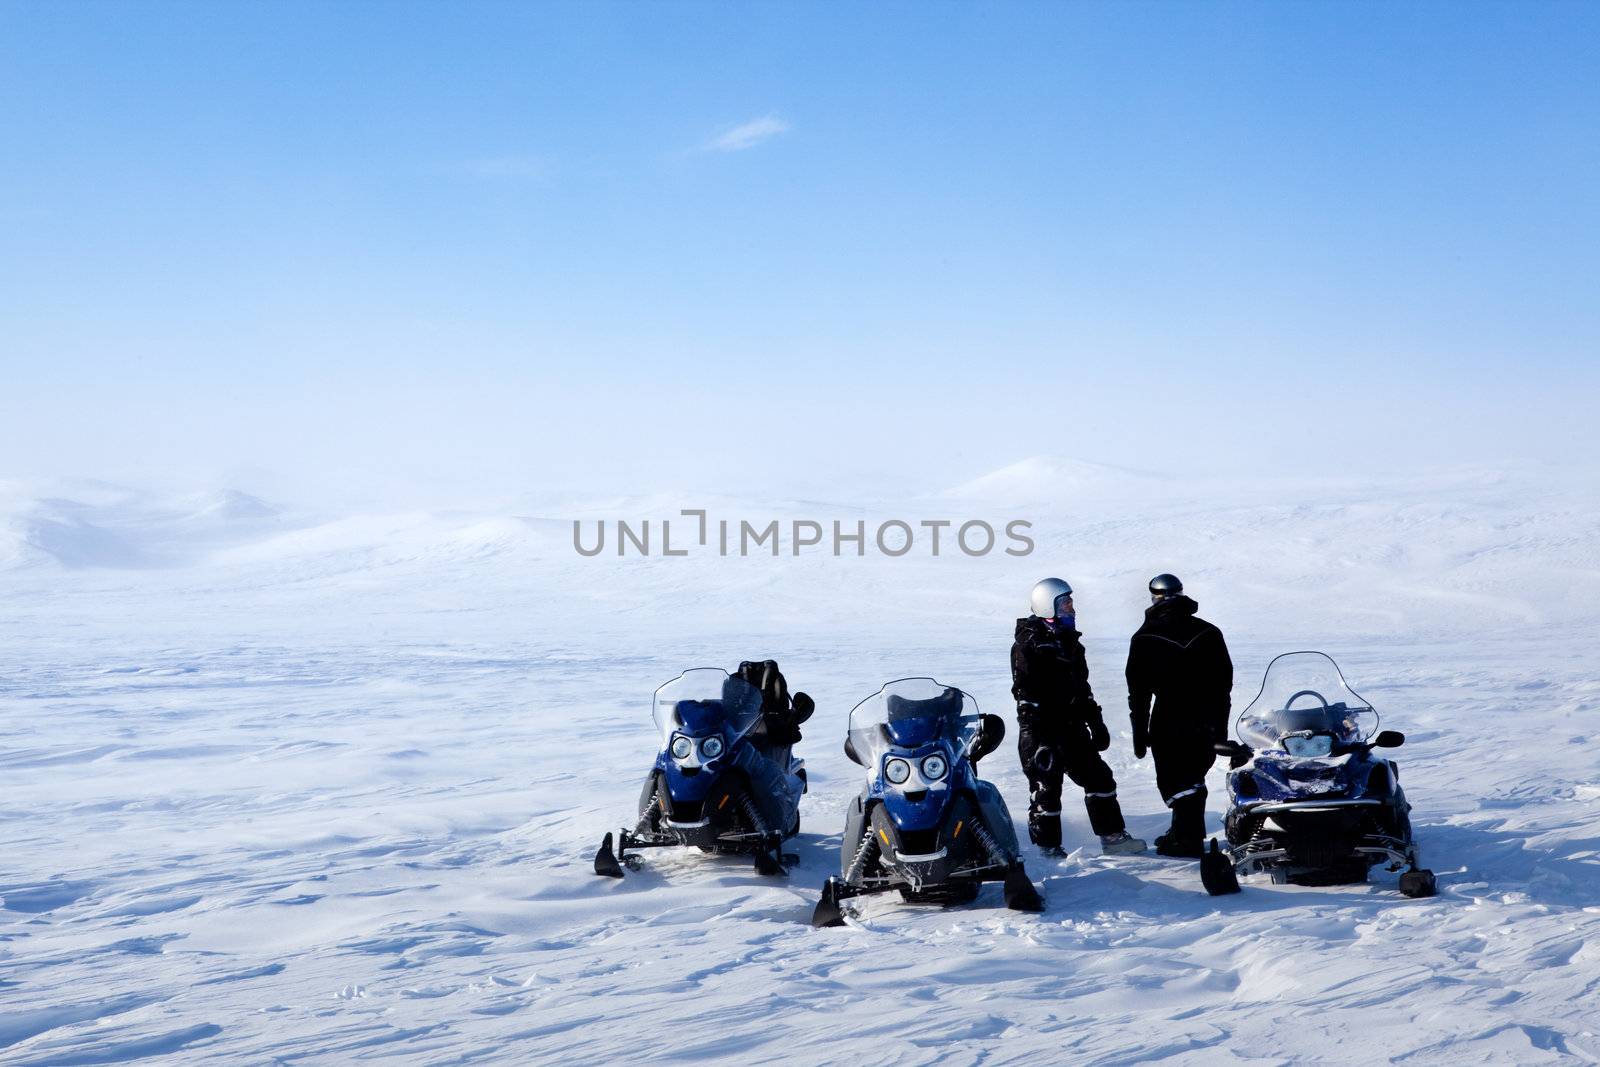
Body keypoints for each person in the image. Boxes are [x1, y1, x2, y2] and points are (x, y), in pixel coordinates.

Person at [1011, 578, 1146, 857]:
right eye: (1066, 602)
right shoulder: (1029, 643)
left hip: (1071, 728)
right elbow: (1024, 694)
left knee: (1099, 777)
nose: (1072, 608)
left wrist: (1095, 722)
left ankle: (1113, 838)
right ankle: (1047, 851)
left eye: (1071, 601)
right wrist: (1038, 736)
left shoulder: (1070, 643)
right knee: (1047, 789)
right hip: (1041, 731)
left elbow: (1082, 689)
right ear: (1048, 605)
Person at [1125, 574, 1234, 857]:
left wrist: (1139, 730)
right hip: (1206, 716)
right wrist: (1219, 729)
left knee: (1175, 780)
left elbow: (1139, 692)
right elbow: (1224, 685)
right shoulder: (1209, 632)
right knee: (1193, 775)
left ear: (1154, 599)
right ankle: (1186, 832)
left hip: (1169, 717)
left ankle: (1187, 839)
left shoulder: (1145, 637)